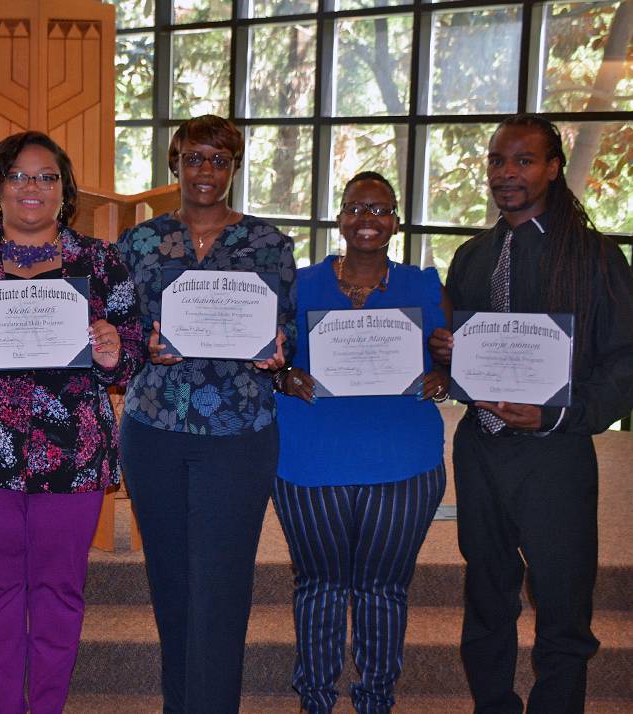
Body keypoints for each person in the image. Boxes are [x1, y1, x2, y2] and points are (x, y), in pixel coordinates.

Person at [0, 130, 143, 714]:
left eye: (46, 177)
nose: (32, 187)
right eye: (19, 175)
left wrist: (114, 350)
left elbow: (132, 347)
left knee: (60, 590)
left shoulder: (99, 260)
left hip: (73, 447)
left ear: (64, 191)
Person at [428, 114, 633, 713]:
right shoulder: (472, 255)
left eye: (523, 160)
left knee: (563, 604)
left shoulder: (595, 258)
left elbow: (624, 363)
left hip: (556, 455)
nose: (506, 173)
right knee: (487, 597)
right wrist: (445, 352)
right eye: (497, 160)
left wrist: (558, 416)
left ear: (552, 168)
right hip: (482, 447)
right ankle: (492, 705)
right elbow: (461, 348)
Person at [115, 114, 294, 713]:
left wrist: (279, 351)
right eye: (195, 158)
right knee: (170, 580)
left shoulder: (270, 243)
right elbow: (114, 329)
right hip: (154, 428)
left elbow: (288, 327)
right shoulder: (138, 243)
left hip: (238, 432)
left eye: (219, 160)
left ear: (234, 167)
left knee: (222, 583)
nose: (206, 172)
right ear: (176, 164)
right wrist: (143, 344)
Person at [272, 171, 450, 713]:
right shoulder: (299, 284)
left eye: (380, 210)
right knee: (319, 585)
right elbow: (268, 354)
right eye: (355, 208)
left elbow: (451, 351)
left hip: (403, 459)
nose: (366, 219)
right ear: (339, 218)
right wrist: (282, 378)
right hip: (309, 458)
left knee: (384, 587)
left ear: (396, 221)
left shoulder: (423, 284)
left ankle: (375, 699)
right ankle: (316, 699)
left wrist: (444, 374)